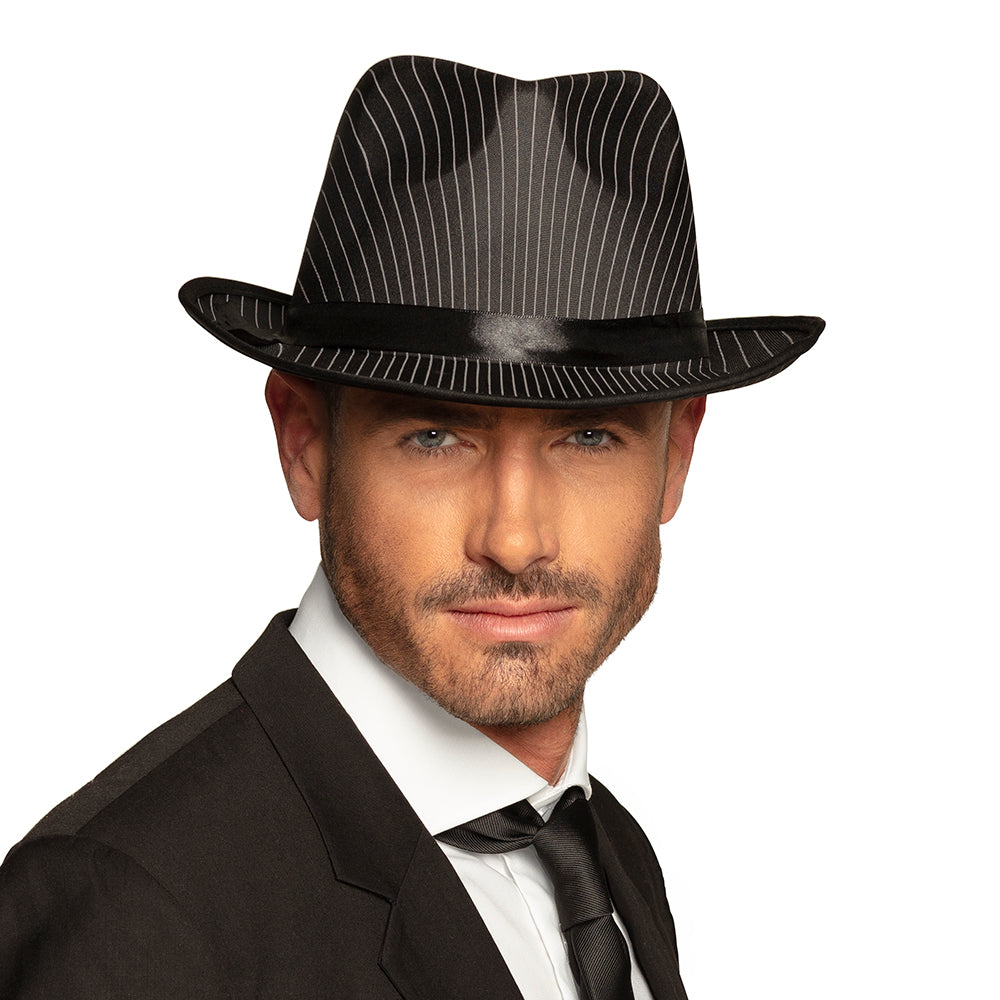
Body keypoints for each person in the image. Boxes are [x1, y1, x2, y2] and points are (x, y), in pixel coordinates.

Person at [0, 55, 823, 999]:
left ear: (677, 457)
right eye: (435, 436)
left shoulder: (608, 861)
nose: (514, 540)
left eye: (589, 436)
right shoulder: (135, 905)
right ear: (306, 444)